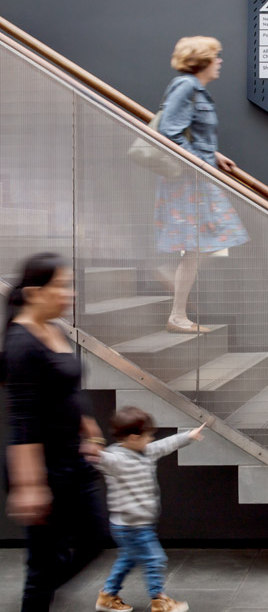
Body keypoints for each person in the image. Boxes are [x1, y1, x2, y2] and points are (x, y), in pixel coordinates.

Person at [3, 253, 107, 612]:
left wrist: (90, 431)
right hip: (43, 466)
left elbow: (71, 389)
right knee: (42, 568)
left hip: (73, 457)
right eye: (62, 286)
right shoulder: (20, 344)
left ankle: (46, 586)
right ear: (34, 292)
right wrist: (29, 485)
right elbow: (23, 420)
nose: (70, 293)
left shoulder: (54, 327)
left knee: (96, 537)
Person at [155, 36, 248, 334]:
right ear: (203, 60)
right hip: (189, 179)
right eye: (216, 56)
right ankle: (176, 314)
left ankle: (176, 308)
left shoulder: (195, 90)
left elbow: (188, 131)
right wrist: (202, 161)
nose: (220, 62)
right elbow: (170, 134)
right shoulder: (186, 87)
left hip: (198, 176)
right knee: (205, 242)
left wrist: (214, 155)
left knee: (211, 240)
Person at [94, 407, 207, 612]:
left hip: (137, 523)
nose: (151, 439)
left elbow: (166, 444)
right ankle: (159, 600)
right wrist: (91, 451)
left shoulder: (146, 451)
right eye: (148, 436)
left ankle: (107, 596)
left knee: (127, 560)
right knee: (155, 559)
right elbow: (101, 459)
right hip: (130, 526)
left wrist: (188, 436)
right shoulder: (115, 458)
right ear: (133, 437)